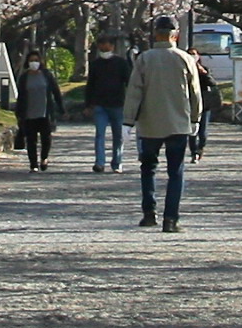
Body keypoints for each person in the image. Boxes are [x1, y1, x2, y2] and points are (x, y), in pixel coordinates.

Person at [128, 19, 203, 229]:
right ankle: (171, 218)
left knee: (148, 168)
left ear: (155, 34)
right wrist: (195, 119)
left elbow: (134, 91)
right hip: (178, 123)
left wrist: (128, 120)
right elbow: (195, 93)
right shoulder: (185, 59)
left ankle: (149, 213)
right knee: (175, 171)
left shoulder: (144, 59)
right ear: (175, 35)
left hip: (150, 123)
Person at [84, 36, 132, 173]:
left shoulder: (121, 63)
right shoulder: (95, 64)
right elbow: (90, 85)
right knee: (100, 134)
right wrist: (88, 105)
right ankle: (99, 162)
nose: (104, 49)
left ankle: (117, 163)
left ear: (112, 47)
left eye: (106, 46)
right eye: (101, 46)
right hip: (100, 105)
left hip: (118, 104)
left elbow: (129, 82)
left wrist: (131, 101)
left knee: (118, 136)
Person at [11, 52, 64, 170]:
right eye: (31, 60)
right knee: (31, 140)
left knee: (46, 137)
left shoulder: (46, 75)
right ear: (28, 62)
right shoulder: (24, 77)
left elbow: (55, 91)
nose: (34, 62)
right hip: (29, 113)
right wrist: (19, 113)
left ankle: (44, 158)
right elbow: (21, 96)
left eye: (36, 60)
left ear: (40, 62)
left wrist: (61, 108)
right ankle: (33, 164)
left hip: (45, 112)